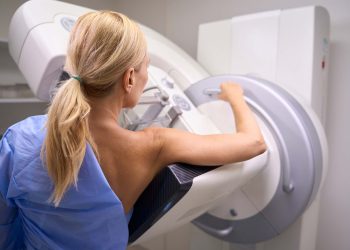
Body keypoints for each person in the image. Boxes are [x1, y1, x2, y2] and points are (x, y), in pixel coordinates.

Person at [0, 10, 266, 250]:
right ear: (129, 78)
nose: (146, 76)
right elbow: (253, 143)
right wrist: (235, 96)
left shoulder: (20, 140)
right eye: (146, 67)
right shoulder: (154, 145)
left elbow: (4, 222)